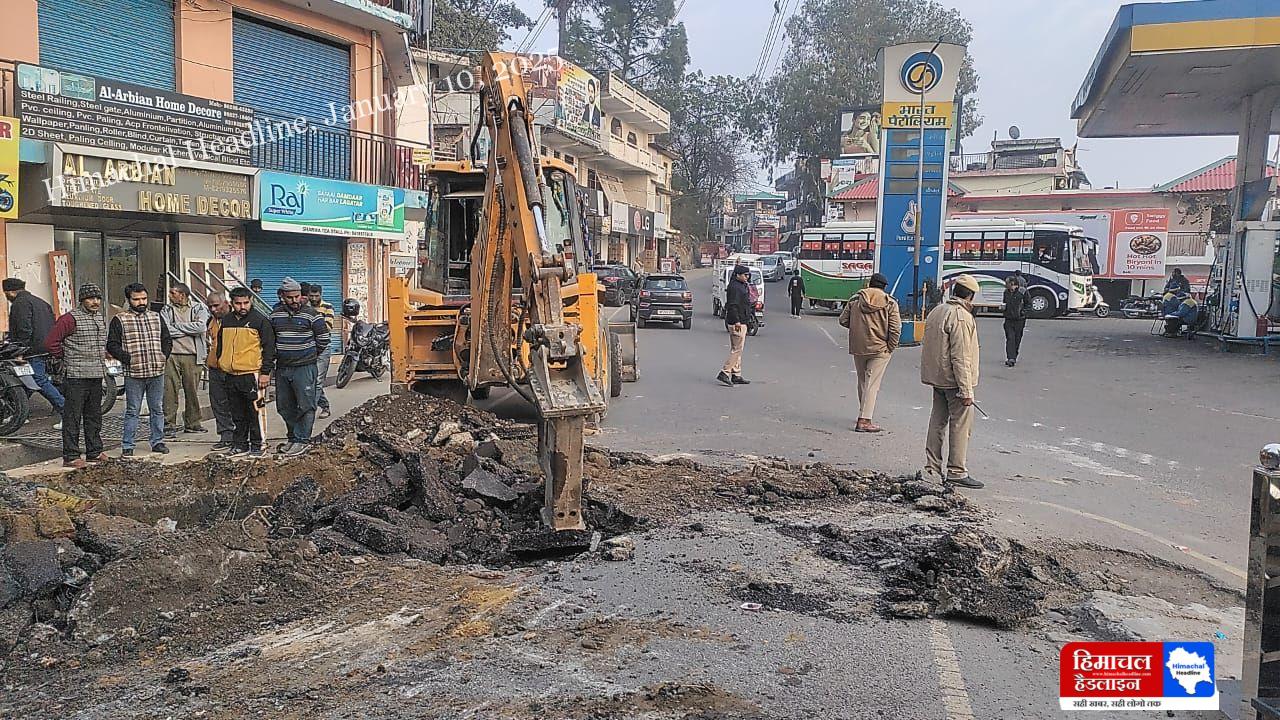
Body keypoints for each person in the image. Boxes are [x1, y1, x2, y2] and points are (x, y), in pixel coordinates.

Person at [920, 274, 983, 489]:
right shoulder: (961, 317)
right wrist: (966, 390)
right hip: (955, 382)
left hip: (938, 379)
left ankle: (932, 467)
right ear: (971, 296)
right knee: (960, 425)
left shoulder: (937, 311)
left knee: (937, 422)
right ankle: (957, 470)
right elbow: (961, 356)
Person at [43, 284, 109, 468]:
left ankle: (94, 451)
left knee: (94, 415)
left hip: (96, 374)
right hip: (75, 375)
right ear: (82, 300)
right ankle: (71, 455)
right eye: (90, 298)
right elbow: (51, 342)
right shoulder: (69, 319)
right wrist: (65, 356)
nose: (95, 302)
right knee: (72, 417)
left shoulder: (99, 318)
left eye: (97, 298)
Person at [106, 283, 172, 457]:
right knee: (132, 410)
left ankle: (157, 441)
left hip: (156, 370)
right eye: (136, 299)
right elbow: (112, 344)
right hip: (134, 373)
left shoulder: (156, 317)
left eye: (143, 298)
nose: (141, 302)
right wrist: (127, 359)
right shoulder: (120, 320)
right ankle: (128, 445)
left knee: (157, 408)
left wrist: (163, 356)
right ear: (129, 300)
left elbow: (167, 339)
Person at [268, 277, 330, 457]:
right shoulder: (275, 316)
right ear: (282, 296)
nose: (294, 301)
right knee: (285, 406)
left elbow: (324, 339)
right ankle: (292, 437)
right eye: (290, 297)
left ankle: (302, 440)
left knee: (306, 404)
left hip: (304, 367)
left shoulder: (312, 314)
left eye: (297, 296)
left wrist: (308, 355)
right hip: (283, 368)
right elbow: (271, 341)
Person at [213, 287, 275, 457]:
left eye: (245, 303)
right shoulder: (226, 321)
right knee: (237, 413)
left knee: (255, 411)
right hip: (231, 375)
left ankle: (259, 444)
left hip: (252, 374)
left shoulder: (260, 321)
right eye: (238, 303)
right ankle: (240, 444)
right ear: (231, 303)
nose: (242, 306)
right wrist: (221, 363)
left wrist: (265, 372)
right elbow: (220, 345)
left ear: (251, 301)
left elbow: (269, 348)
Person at [839, 272, 900, 433]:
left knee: (862, 381)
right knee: (872, 384)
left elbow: (843, 320)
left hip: (859, 347)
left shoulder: (855, 300)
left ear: (869, 284)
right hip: (880, 348)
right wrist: (890, 347)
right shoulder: (890, 303)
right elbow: (895, 329)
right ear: (884, 287)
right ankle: (864, 420)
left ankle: (863, 411)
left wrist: (859, 329)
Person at [3, 277, 63, 423]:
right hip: (46, 347)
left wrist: (19, 350)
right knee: (25, 380)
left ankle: (66, 410)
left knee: (38, 379)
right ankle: (19, 414)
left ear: (10, 292)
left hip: (32, 349)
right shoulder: (41, 302)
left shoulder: (19, 304)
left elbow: (24, 329)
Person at [160, 283, 210, 437]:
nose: (169, 295)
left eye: (173, 293)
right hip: (172, 355)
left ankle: (193, 423)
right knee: (169, 390)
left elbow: (201, 327)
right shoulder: (166, 309)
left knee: (192, 390)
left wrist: (178, 327)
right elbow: (166, 330)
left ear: (182, 295)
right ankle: (169, 424)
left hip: (193, 355)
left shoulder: (199, 308)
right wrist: (189, 329)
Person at [205, 292, 236, 450]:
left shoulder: (237, 318)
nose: (213, 309)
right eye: (210, 306)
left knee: (237, 404)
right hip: (215, 368)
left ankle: (242, 437)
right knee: (218, 404)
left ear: (226, 303)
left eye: (216, 305)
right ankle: (226, 436)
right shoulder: (211, 321)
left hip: (234, 368)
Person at [717, 265, 752, 387]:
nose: (747, 277)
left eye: (748, 275)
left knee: (736, 348)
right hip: (738, 322)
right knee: (737, 350)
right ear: (738, 275)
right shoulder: (736, 288)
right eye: (744, 275)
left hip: (740, 320)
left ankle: (736, 374)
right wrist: (737, 321)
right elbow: (733, 305)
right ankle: (725, 372)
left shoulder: (739, 285)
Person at [306, 282, 336, 420]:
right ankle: (325, 405)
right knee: (310, 380)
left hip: (323, 348)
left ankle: (309, 411)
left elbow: (327, 328)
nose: (313, 298)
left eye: (316, 296)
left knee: (317, 380)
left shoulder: (328, 307)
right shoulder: (304, 308)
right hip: (308, 348)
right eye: (311, 295)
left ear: (320, 295)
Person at [1002, 274, 1029, 367]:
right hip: (1008, 319)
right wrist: (1003, 309)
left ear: (1012, 283)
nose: (1005, 285)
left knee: (1017, 339)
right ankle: (1010, 358)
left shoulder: (1023, 292)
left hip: (1019, 320)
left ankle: (1014, 355)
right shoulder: (1006, 292)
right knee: (1010, 338)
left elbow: (1028, 304)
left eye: (1007, 283)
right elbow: (1004, 302)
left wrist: (1023, 313)